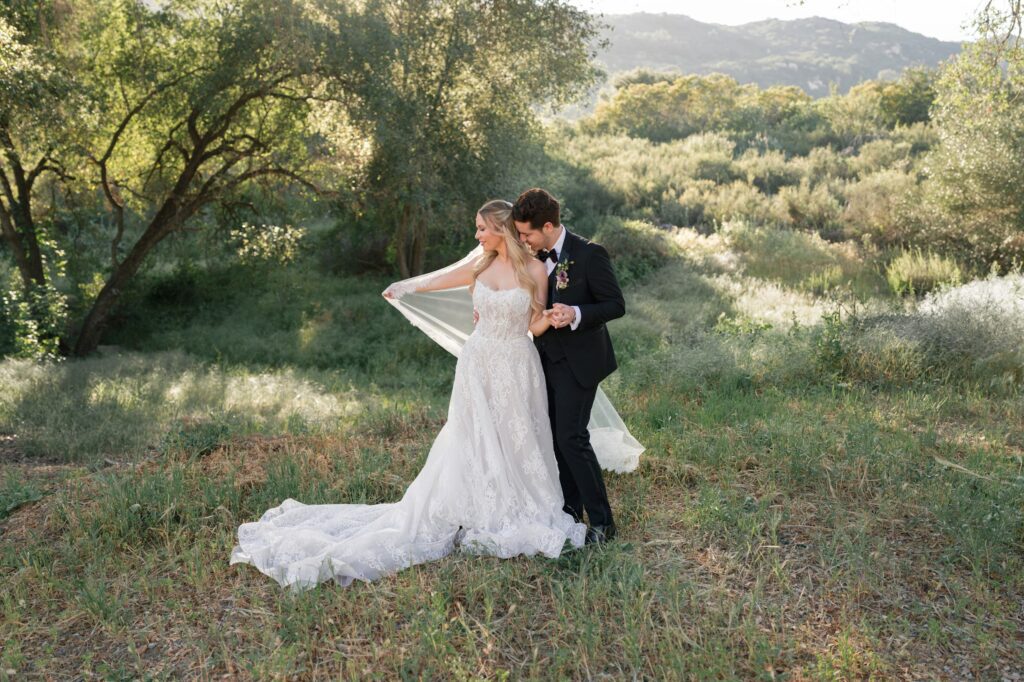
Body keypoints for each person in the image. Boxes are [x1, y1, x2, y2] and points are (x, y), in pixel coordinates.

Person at [230, 200, 586, 590]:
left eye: (481, 228)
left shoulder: (535, 269)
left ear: (500, 229)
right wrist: (404, 288)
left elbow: (533, 323)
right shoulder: (480, 267)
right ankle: (476, 502)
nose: (476, 235)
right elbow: (438, 279)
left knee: (516, 436)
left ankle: (515, 503)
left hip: (517, 364)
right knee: (473, 435)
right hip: (478, 361)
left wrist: (550, 320)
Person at [512, 188, 625, 545]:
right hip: (543, 361)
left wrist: (576, 313)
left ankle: (603, 523)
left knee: (572, 438)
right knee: (556, 440)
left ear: (548, 225)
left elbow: (614, 304)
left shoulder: (590, 254)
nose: (523, 239)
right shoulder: (531, 258)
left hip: (580, 361)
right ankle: (571, 514)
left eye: (527, 233)